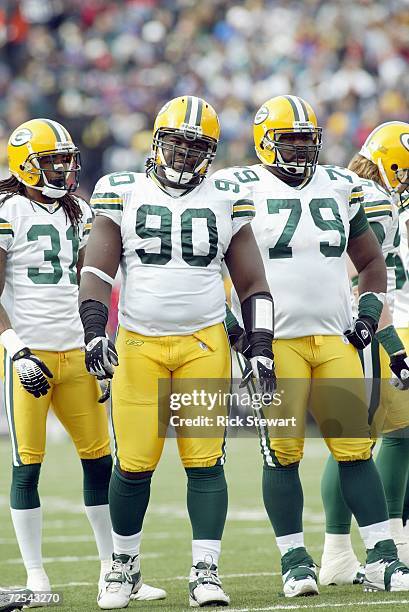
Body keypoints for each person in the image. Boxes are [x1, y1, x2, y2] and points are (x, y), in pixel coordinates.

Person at [79, 95, 276, 609]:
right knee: (135, 463)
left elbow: (253, 284)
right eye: (177, 144)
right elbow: (97, 273)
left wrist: (260, 348)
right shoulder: (121, 190)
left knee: (205, 461)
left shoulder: (226, 195)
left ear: (210, 151)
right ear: (157, 140)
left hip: (203, 343)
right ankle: (121, 567)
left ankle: (205, 571)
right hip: (140, 344)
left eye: (197, 148)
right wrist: (96, 331)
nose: (185, 156)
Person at [213, 95, 409, 597]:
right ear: (265, 141)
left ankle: (383, 557)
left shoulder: (342, 185)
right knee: (282, 454)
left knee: (355, 450)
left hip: (335, 336)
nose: (301, 149)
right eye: (290, 140)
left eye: (307, 140)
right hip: (274, 341)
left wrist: (367, 318)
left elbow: (370, 262)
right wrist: (238, 330)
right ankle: (295, 560)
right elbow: (206, 264)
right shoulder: (235, 186)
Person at [0, 119, 164, 605]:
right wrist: (15, 350)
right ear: (27, 163)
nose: (65, 168)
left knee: (101, 462)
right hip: (30, 354)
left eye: (68, 159)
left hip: (78, 354)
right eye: (54, 160)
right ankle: (36, 577)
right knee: (27, 465)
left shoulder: (81, 212)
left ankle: (113, 572)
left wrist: (100, 340)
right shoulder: (8, 210)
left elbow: (93, 280)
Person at [320, 122, 409, 584]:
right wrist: (390, 344)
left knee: (361, 440)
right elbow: (363, 279)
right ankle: (341, 549)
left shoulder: (354, 189)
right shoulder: (374, 200)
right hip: (358, 328)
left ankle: (348, 548)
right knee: (355, 442)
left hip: (346, 325)